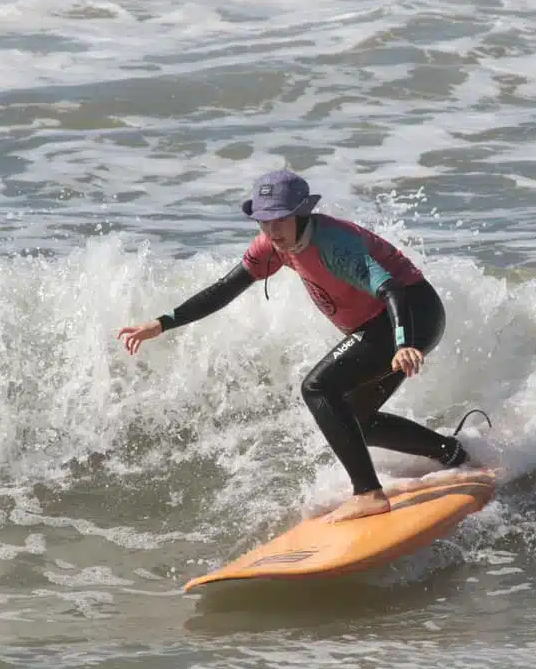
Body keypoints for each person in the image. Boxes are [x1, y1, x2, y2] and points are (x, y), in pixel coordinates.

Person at [117, 169, 474, 523]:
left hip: (411, 313)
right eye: (263, 222)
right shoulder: (273, 246)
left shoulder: (333, 243)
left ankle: (368, 494)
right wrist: (163, 323)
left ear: (301, 214)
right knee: (354, 417)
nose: (272, 231)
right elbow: (224, 289)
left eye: (280, 220)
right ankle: (454, 454)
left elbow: (391, 288)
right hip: (381, 323)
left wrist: (402, 344)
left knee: (317, 387)